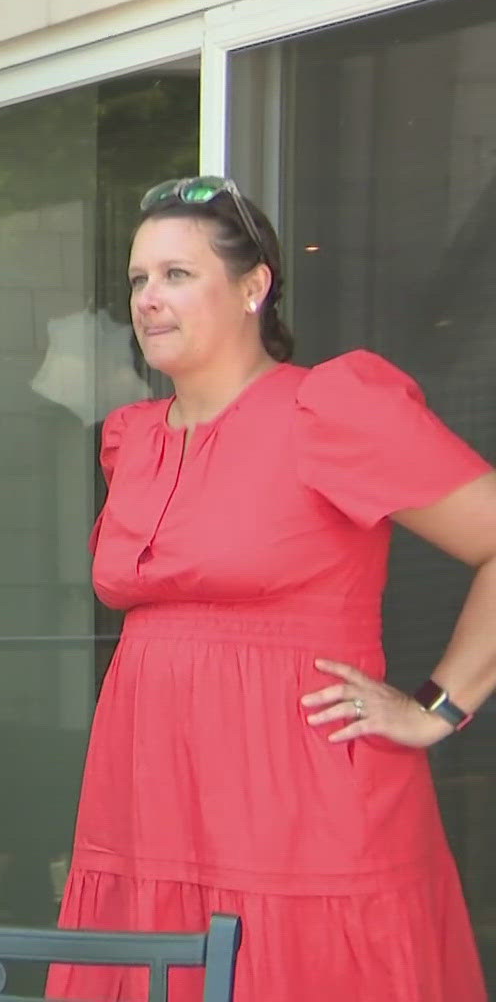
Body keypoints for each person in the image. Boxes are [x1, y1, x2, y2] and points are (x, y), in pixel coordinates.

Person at [48, 176, 495, 1001]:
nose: (149, 299)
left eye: (178, 275)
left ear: (254, 288)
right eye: (139, 280)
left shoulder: (331, 410)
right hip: (148, 801)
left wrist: (438, 707)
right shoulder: (133, 438)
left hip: (302, 804)